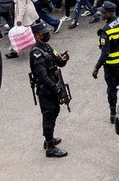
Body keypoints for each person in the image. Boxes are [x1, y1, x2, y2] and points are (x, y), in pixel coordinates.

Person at [29, 21, 69, 158]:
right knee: (48, 115)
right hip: (46, 90)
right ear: (36, 35)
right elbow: (42, 76)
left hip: (53, 86)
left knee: (55, 111)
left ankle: (49, 139)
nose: (46, 34)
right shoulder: (36, 53)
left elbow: (58, 61)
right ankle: (50, 148)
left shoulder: (47, 47)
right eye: (43, 33)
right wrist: (55, 88)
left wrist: (63, 59)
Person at [91, 1, 119, 123]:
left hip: (111, 66)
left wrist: (96, 68)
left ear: (109, 13)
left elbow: (105, 53)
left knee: (112, 89)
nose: (101, 15)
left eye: (103, 13)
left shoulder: (106, 30)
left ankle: (113, 114)